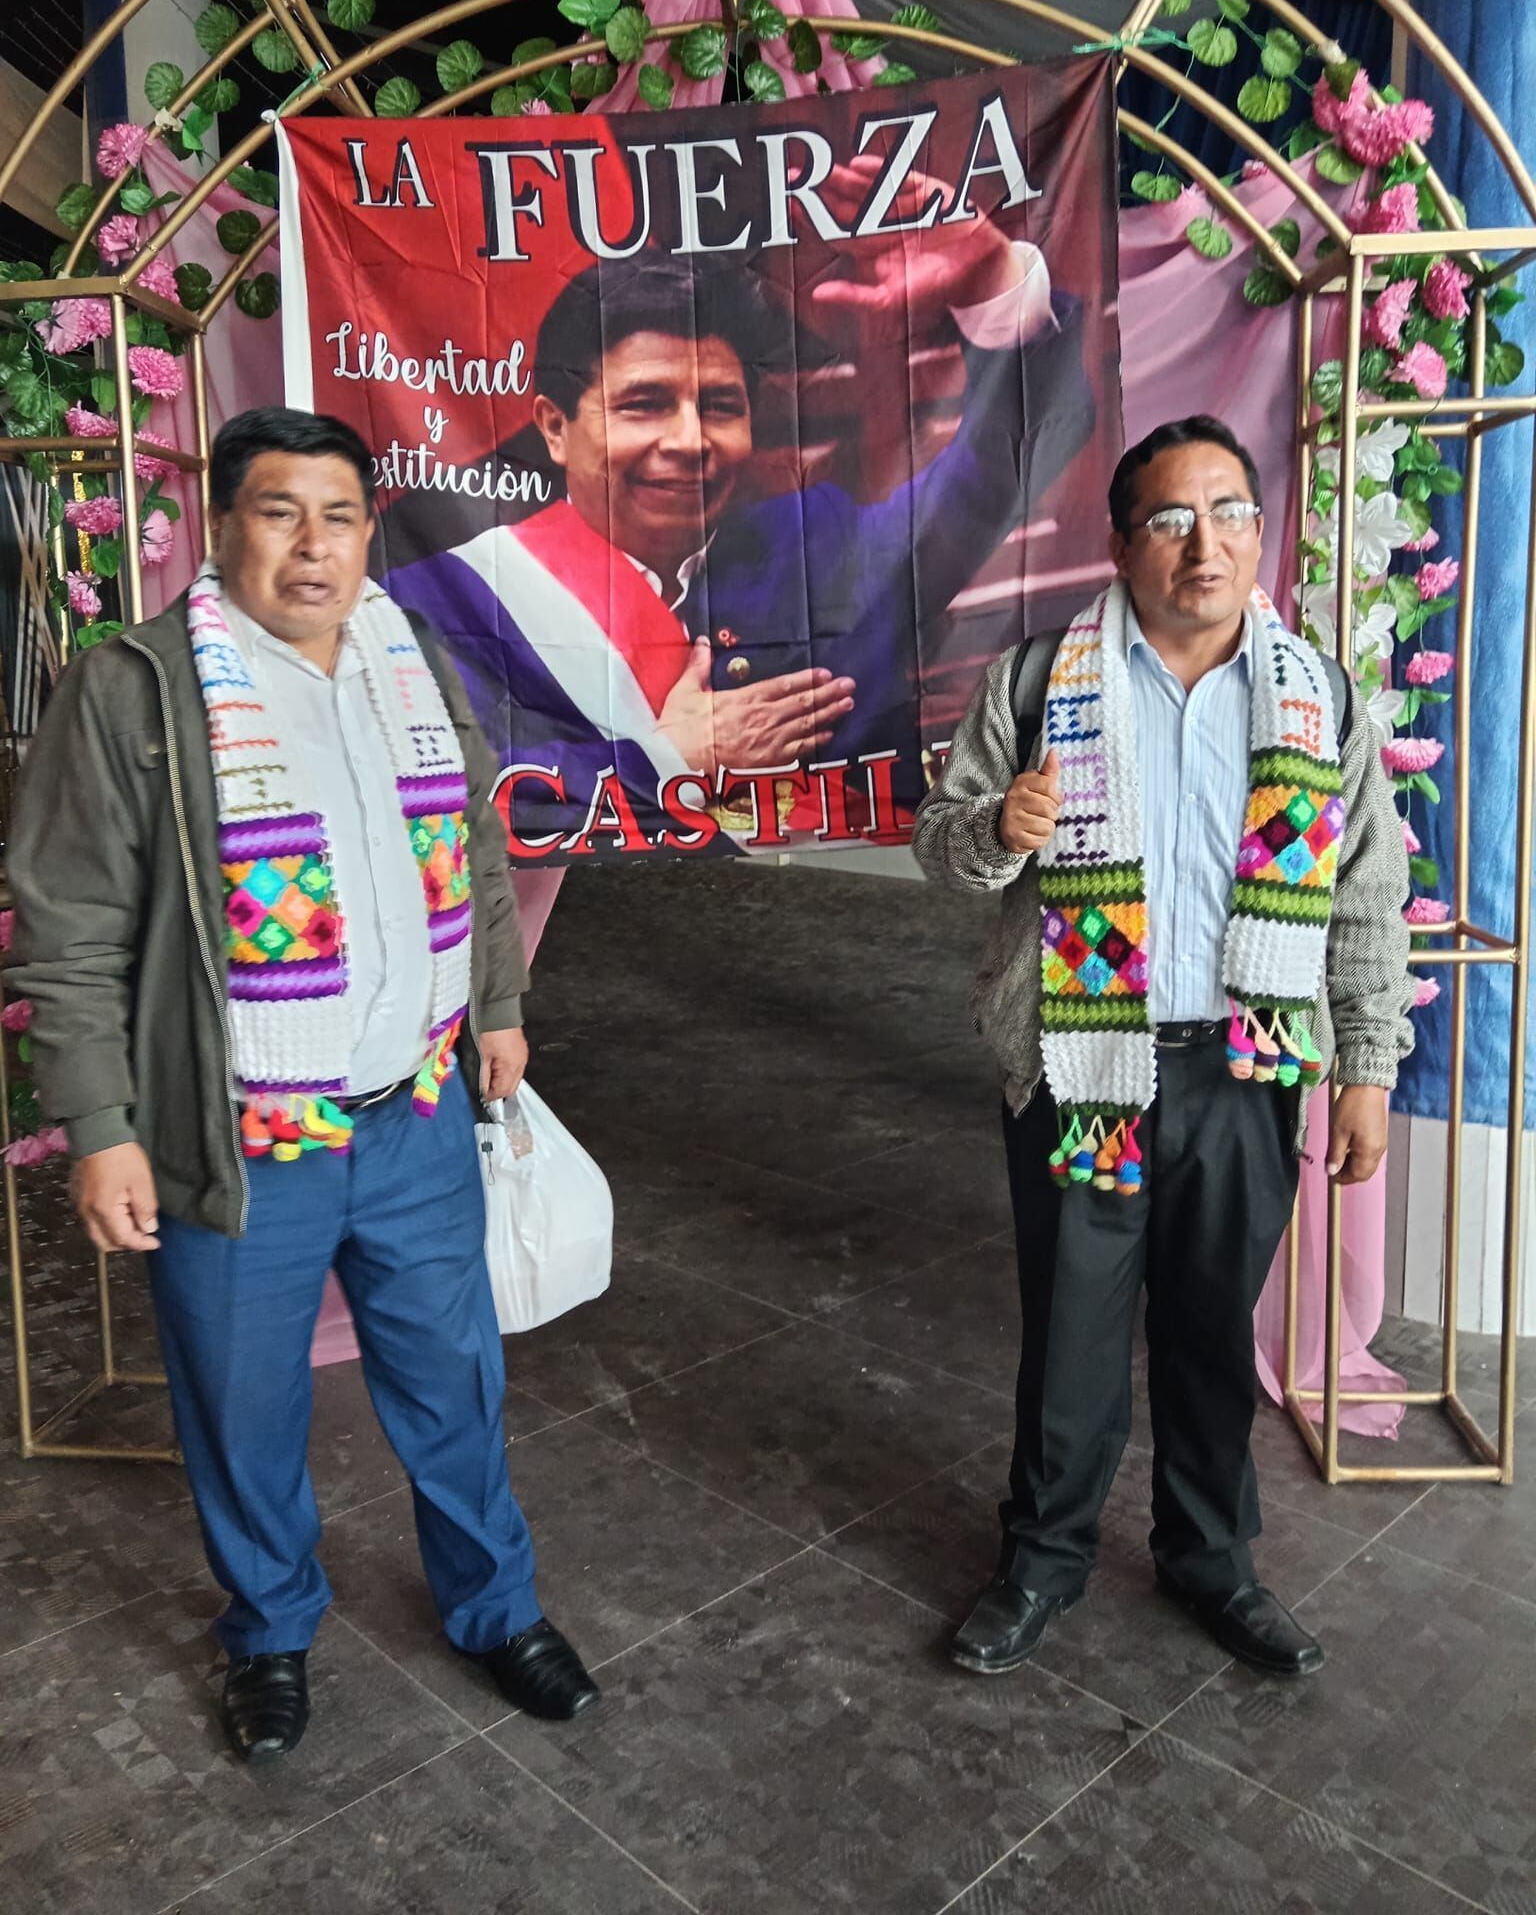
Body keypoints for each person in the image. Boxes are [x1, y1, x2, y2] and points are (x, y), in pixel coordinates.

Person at [6, 406, 600, 1761]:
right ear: (225, 525)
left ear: (368, 528)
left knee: (455, 1386)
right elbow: (72, 922)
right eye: (280, 512)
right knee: (243, 1402)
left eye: (338, 516)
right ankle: (270, 1630)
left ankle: (495, 1608)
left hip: (416, 1117)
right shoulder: (140, 688)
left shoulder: (411, 662)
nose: (314, 546)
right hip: (238, 1136)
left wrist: (496, 1006)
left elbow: (472, 842)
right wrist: (99, 1128)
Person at [912, 416, 1414, 1679]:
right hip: (1087, 1062)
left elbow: (1363, 894)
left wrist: (1365, 1064)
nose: (1209, 545)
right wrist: (1003, 826)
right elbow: (944, 847)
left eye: (1232, 513)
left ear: (1262, 528)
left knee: (1209, 1326)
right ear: (1122, 543)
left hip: (1246, 1067)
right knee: (1074, 1327)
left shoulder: (1318, 697)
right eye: (1174, 520)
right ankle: (1041, 1560)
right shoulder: (1037, 682)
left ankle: (1212, 1560)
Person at [386, 156, 1091, 847]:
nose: (690, 441)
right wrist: (670, 760)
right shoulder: (450, 596)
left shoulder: (819, 543)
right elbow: (424, 791)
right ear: (554, 427)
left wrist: (996, 286)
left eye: (721, 405)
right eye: (645, 404)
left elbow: (1002, 470)